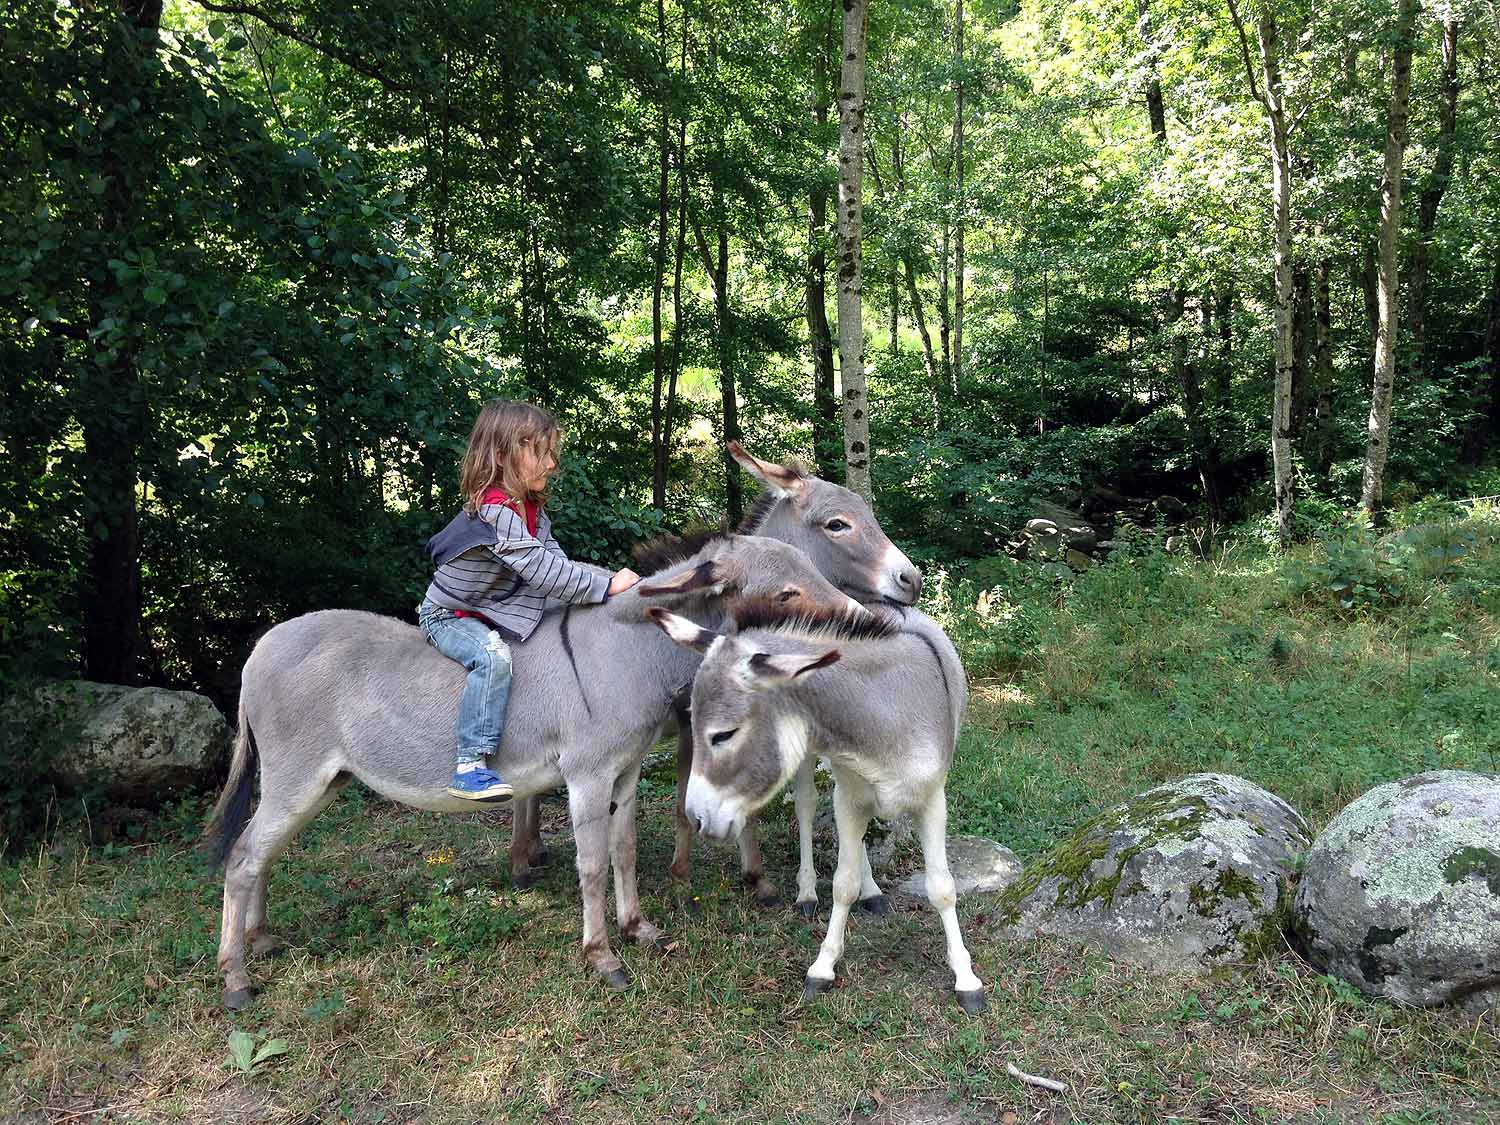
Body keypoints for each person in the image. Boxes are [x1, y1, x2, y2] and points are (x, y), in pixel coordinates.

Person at [419, 400, 639, 802]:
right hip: (450, 615)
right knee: (492, 658)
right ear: (501, 456)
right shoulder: (494, 512)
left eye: (552, 452)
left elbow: (555, 559)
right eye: (541, 452)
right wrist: (605, 587)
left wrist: (599, 582)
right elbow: (541, 571)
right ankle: (470, 764)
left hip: (494, 606)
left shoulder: (530, 508)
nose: (552, 464)